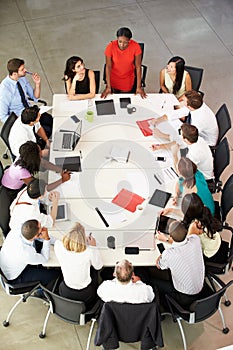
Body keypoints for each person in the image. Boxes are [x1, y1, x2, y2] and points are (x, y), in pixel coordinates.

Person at [158, 193, 225, 263]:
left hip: (210, 253)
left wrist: (166, 239)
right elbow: (187, 213)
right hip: (216, 240)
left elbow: (184, 247)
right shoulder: (203, 210)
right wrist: (170, 210)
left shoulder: (195, 226)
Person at [154, 220, 205, 308]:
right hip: (201, 289)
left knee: (151, 281)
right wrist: (166, 240)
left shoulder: (169, 254)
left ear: (170, 236)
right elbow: (184, 240)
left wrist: (163, 254)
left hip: (183, 297)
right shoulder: (195, 240)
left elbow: (159, 265)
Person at [1, 141, 71, 202]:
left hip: (11, 176)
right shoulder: (22, 172)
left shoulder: (25, 156)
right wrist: (62, 180)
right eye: (40, 153)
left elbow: (44, 163)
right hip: (12, 189)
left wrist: (60, 170)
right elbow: (41, 188)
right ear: (34, 158)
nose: (42, 153)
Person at [0, 58, 52, 137]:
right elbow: (3, 117)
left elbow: (35, 97)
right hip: (21, 119)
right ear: (14, 74)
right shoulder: (5, 90)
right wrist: (20, 122)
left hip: (30, 111)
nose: (25, 70)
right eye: (22, 69)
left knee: (50, 120)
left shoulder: (22, 78)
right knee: (47, 130)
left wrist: (37, 84)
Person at [54, 223, 103, 307]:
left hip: (65, 292)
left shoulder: (58, 245)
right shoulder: (89, 251)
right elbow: (98, 266)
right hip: (85, 295)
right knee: (95, 270)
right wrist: (93, 247)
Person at [0, 219, 60, 286]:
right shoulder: (26, 253)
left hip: (8, 263)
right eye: (41, 228)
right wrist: (46, 239)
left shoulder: (17, 230)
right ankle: (41, 292)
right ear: (36, 235)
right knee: (56, 275)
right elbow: (45, 259)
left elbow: (37, 236)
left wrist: (59, 241)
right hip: (14, 278)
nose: (43, 228)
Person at [151, 89, 218, 147]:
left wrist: (162, 135)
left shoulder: (199, 120)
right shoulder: (197, 104)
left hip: (204, 142)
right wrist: (159, 119)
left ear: (189, 107)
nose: (182, 102)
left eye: (184, 101)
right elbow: (179, 112)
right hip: (194, 129)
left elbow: (188, 140)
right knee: (171, 125)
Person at [101, 27, 146, 99]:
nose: (122, 45)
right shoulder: (110, 47)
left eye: (125, 42)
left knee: (125, 101)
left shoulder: (135, 47)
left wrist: (138, 87)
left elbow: (138, 67)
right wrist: (108, 86)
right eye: (120, 41)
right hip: (114, 78)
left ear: (129, 41)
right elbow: (108, 66)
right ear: (117, 39)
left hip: (127, 79)